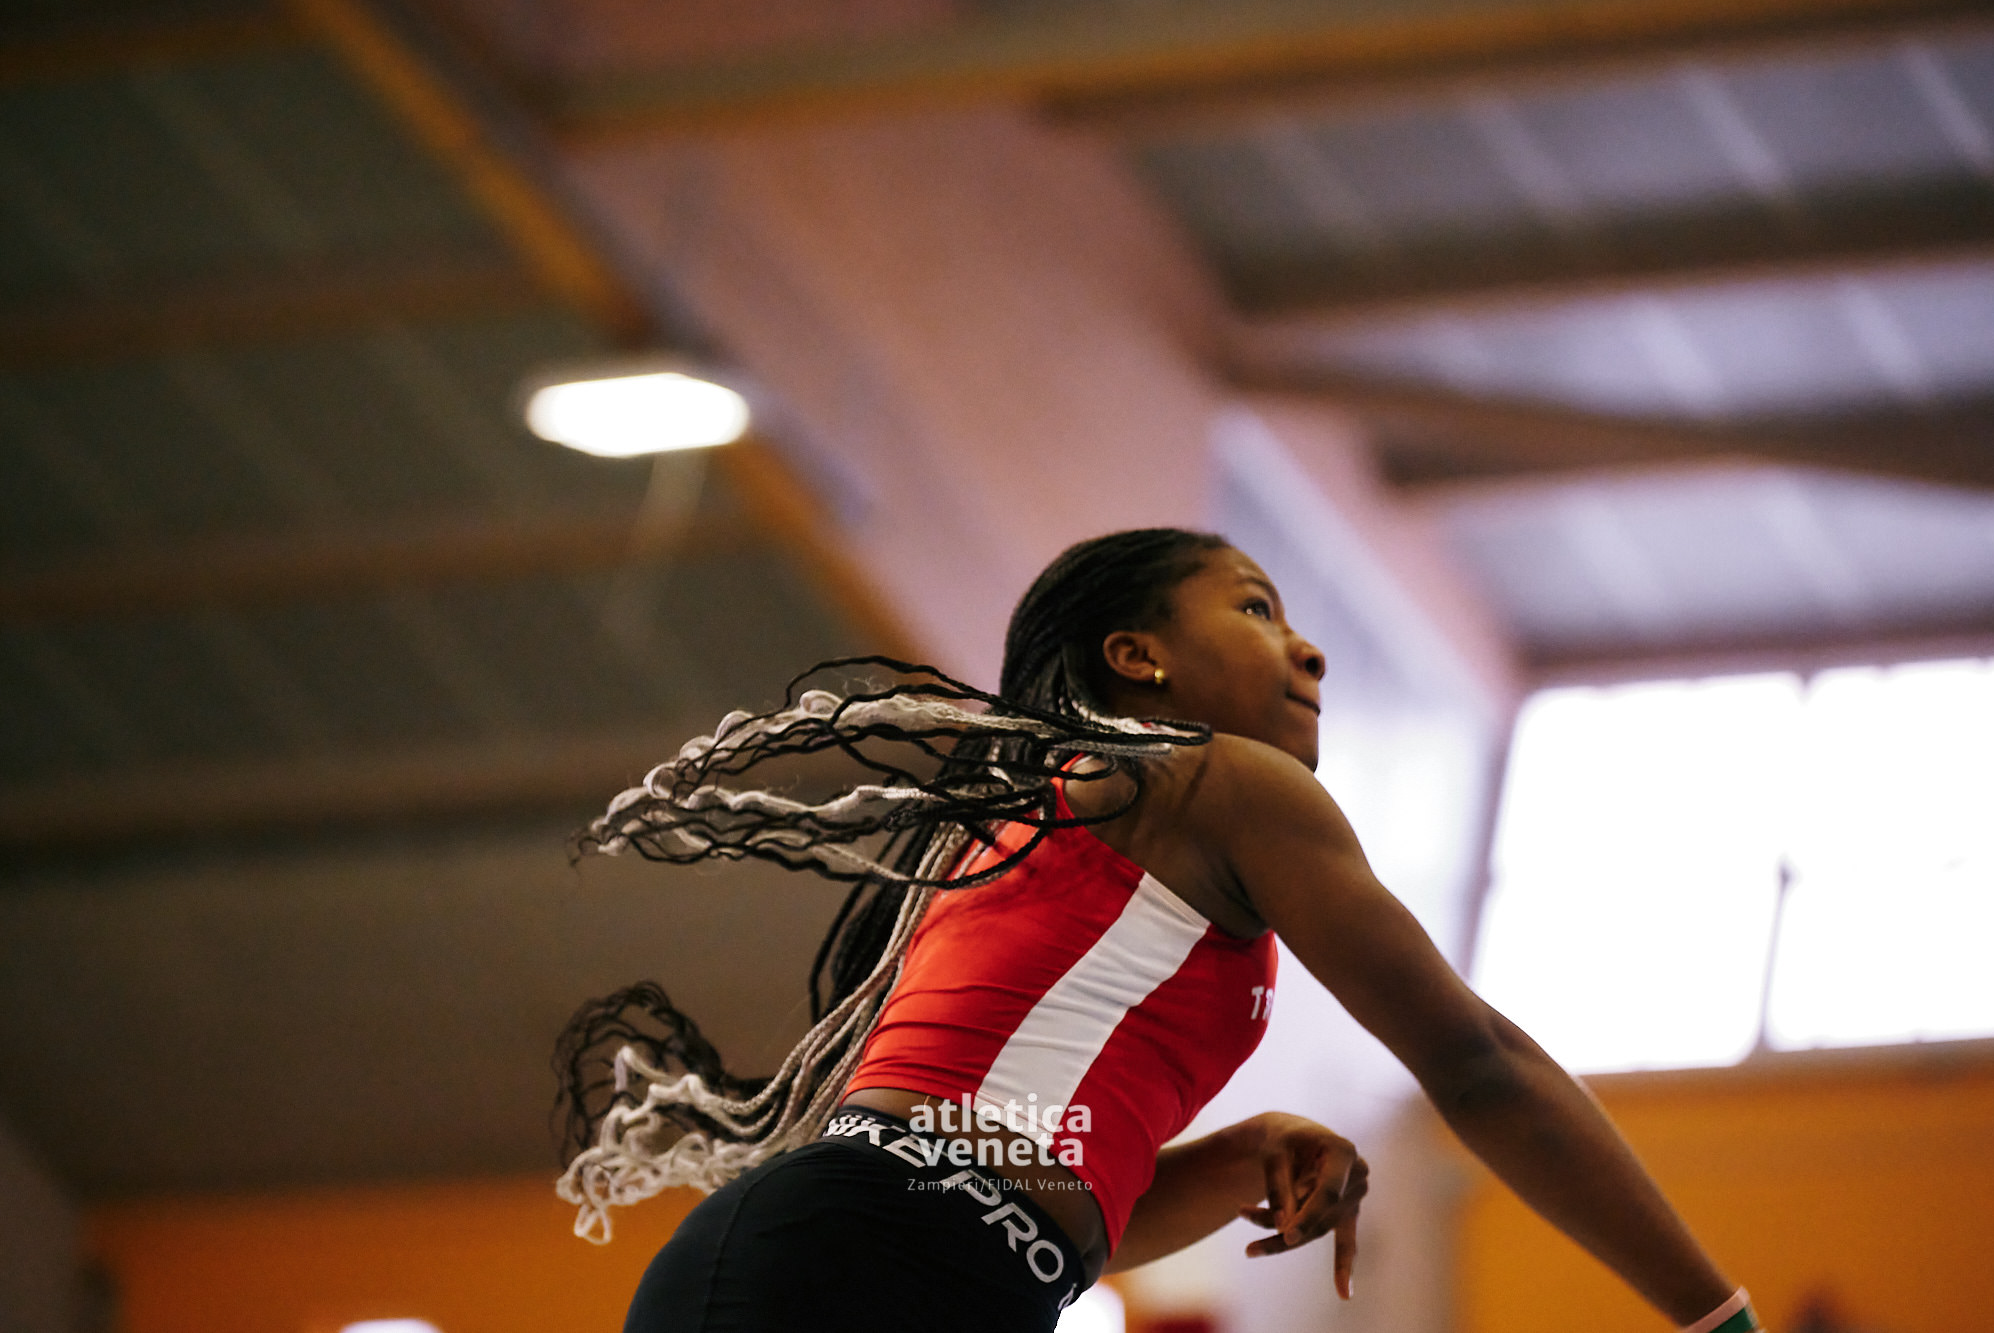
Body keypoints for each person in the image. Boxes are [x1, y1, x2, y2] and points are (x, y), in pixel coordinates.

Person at [553, 528, 1763, 1333]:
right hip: (857, 1262)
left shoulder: (1068, 832)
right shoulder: (1208, 778)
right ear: (1136, 658)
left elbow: (1040, 1192)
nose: (1309, 648)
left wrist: (1234, 1161)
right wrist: (1716, 1316)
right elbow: (1475, 1064)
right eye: (1255, 607)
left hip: (922, 1264)